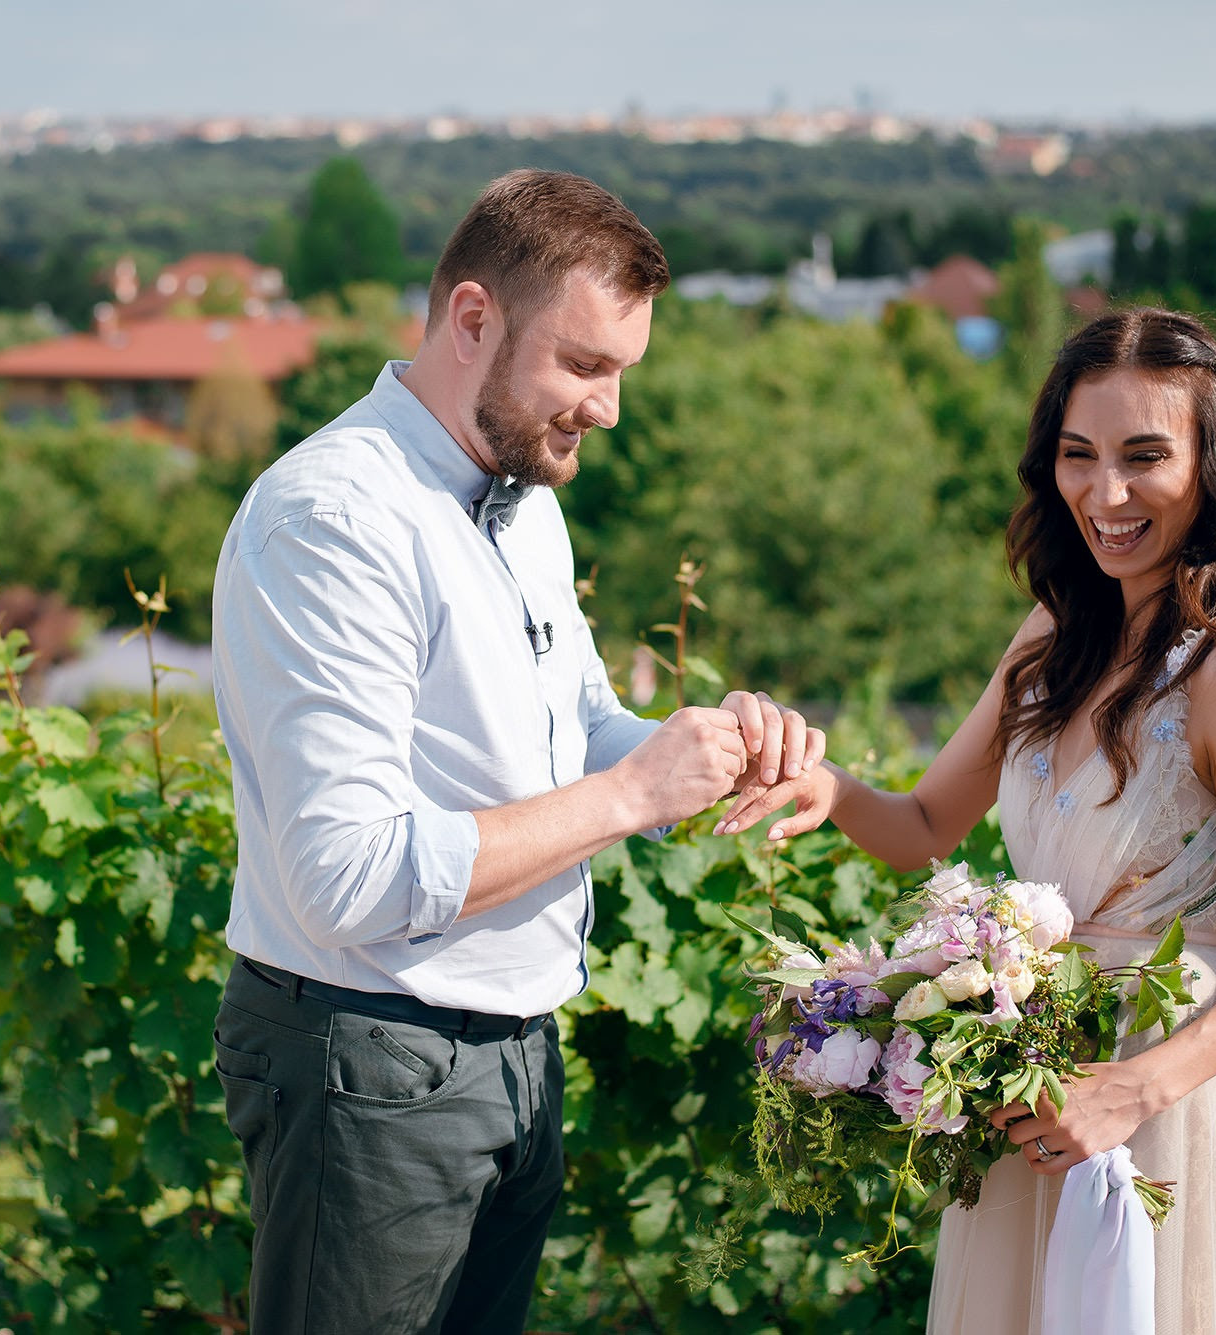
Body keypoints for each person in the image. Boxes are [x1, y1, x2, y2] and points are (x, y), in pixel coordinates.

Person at [208, 169, 823, 1335]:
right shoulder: (335, 523)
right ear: (471, 320)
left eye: (621, 371)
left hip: (509, 1055)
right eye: (584, 364)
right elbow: (345, 880)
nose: (608, 409)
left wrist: (707, 752)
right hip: (368, 1065)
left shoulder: (520, 497)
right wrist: (630, 793)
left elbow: (575, 728)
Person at [722, 308, 1216, 1333]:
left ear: (1213, 466)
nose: (1105, 493)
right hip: (1031, 1082)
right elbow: (924, 823)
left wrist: (1132, 1091)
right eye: (1077, 454)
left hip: (1163, 1097)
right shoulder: (1052, 634)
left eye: (1144, 456)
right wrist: (827, 788)